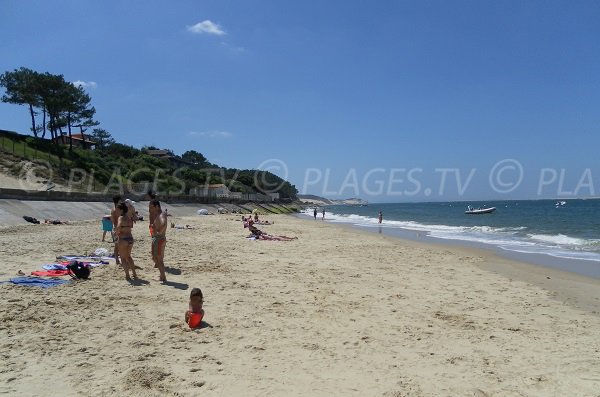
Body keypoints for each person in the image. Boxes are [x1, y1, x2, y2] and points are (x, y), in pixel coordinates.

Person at [115, 202, 137, 280]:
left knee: (123, 258)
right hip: (130, 238)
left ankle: (127, 275)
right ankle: (134, 273)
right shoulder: (128, 217)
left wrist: (116, 233)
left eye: (117, 210)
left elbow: (118, 226)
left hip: (123, 239)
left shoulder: (120, 217)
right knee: (129, 256)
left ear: (121, 210)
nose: (116, 211)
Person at [149, 199, 168, 282]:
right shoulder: (158, 215)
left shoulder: (161, 215)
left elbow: (163, 223)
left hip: (159, 239)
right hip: (158, 238)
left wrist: (159, 231)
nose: (150, 209)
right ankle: (162, 275)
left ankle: (163, 276)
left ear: (157, 206)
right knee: (155, 257)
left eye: (151, 207)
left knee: (158, 259)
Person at [110, 195, 122, 266]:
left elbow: (112, 220)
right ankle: (117, 259)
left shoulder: (112, 209)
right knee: (118, 245)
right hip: (118, 228)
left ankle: (117, 259)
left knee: (117, 245)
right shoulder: (117, 209)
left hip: (114, 228)